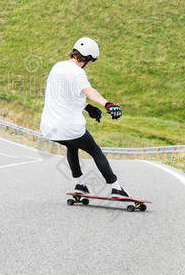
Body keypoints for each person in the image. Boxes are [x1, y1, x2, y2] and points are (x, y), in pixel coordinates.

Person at [40, 37, 129, 198]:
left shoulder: (57, 67)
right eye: (91, 62)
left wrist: (87, 108)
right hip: (69, 127)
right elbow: (89, 91)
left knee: (72, 146)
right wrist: (108, 104)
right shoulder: (78, 73)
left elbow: (65, 96)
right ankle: (116, 187)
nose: (90, 65)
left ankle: (80, 184)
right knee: (95, 150)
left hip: (49, 128)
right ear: (87, 59)